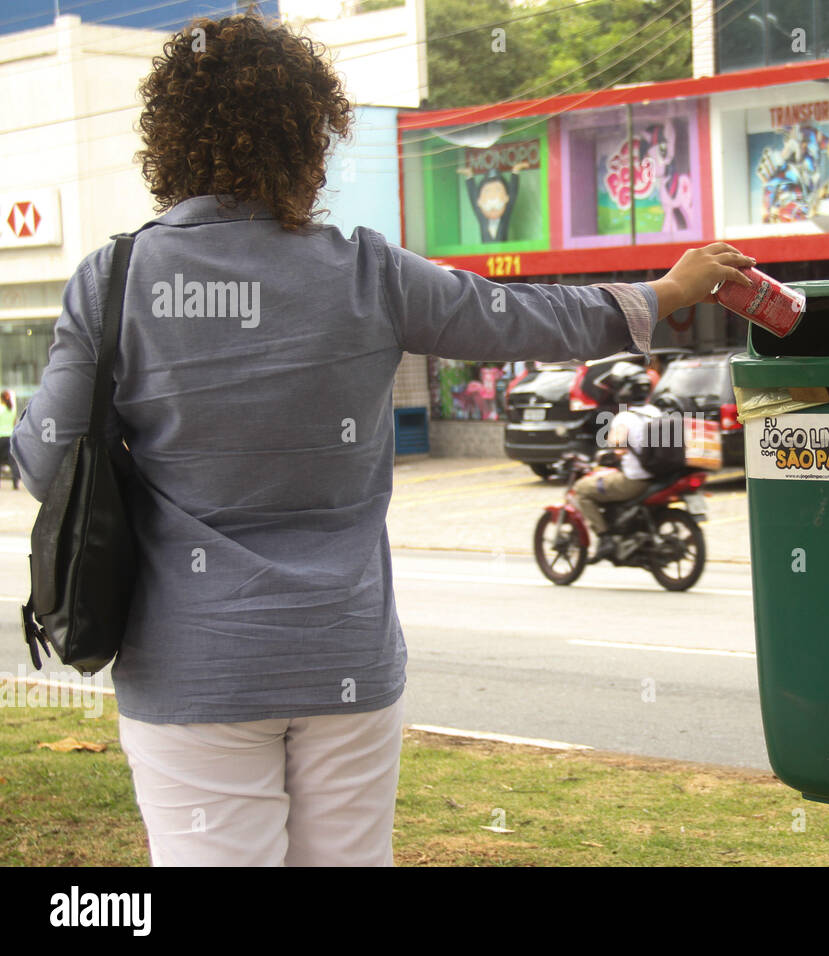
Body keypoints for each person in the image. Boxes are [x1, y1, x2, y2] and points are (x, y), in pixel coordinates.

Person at [9, 13, 754, 867]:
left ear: (169, 139)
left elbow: (41, 461)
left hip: (193, 670)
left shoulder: (114, 281)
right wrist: (663, 293)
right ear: (309, 138)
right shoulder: (369, 272)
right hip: (346, 661)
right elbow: (523, 317)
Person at [573, 363, 660, 563]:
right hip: (657, 475)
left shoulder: (625, 417)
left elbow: (615, 443)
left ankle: (605, 538)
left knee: (582, 489)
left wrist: (609, 453)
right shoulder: (655, 412)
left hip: (634, 480)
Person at [0, 389, 18, 490]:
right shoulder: (12, 410)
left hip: (1, 436)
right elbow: (14, 423)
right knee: (12, 461)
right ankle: (15, 483)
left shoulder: (0, 409)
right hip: (10, 437)